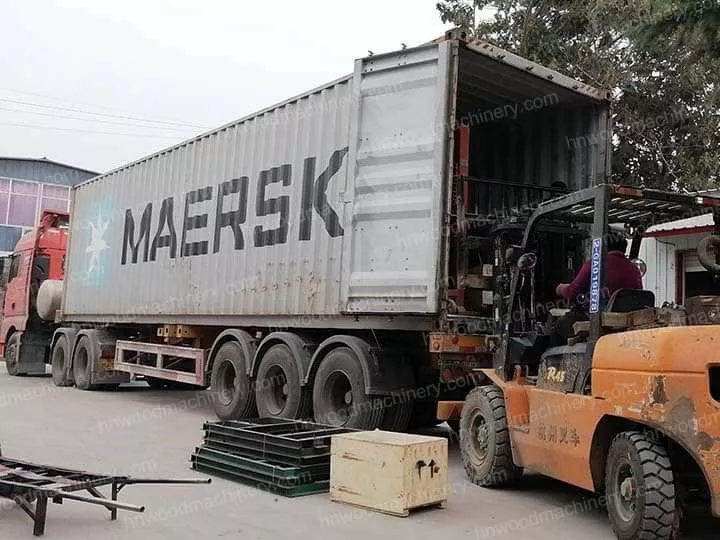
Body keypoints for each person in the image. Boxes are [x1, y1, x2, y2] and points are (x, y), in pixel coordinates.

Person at [553, 233, 643, 340]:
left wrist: (559, 288)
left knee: (559, 326)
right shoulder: (634, 269)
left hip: (602, 320)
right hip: (627, 321)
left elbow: (572, 292)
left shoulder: (594, 264)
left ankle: (552, 356)